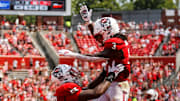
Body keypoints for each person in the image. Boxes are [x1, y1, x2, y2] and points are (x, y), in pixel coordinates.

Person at [58, 5, 130, 101]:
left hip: (118, 86)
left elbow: (96, 58)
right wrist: (88, 22)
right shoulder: (116, 41)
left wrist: (74, 54)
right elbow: (99, 37)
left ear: (108, 31)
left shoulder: (116, 43)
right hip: (111, 82)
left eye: (101, 36)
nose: (99, 39)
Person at [51, 64, 125, 101]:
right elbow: (96, 93)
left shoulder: (65, 89)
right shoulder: (65, 88)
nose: (75, 74)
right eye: (71, 73)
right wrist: (112, 75)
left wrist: (103, 74)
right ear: (65, 76)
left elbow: (89, 88)